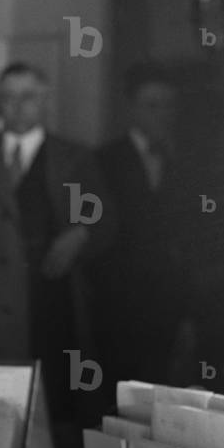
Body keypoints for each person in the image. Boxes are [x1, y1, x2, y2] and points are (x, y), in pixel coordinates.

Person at [0, 62, 112, 448]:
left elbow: (106, 224)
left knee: (59, 415)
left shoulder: (74, 158)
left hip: (54, 304)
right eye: (8, 98)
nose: (17, 107)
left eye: (27, 97)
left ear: (45, 100)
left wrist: (79, 234)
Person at [93, 64, 184, 387]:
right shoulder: (103, 161)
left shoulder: (184, 162)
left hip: (168, 301)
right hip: (118, 302)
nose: (161, 114)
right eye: (151, 105)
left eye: (168, 105)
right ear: (132, 108)